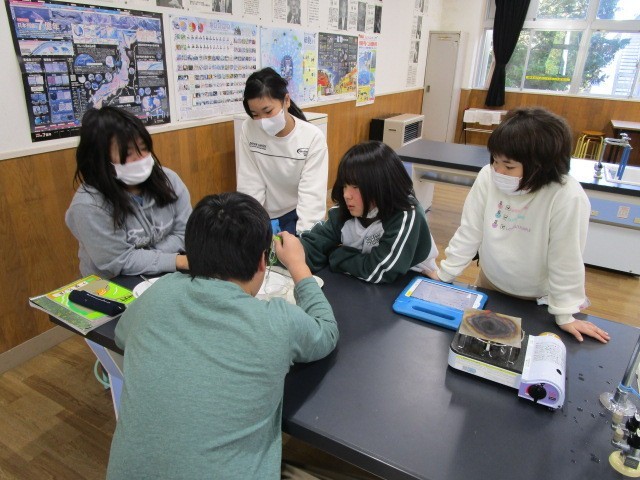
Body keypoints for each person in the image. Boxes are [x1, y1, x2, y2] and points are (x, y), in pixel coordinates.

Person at [106, 192, 339, 479]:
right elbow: (326, 331)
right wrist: (298, 266)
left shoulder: (158, 294)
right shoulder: (276, 321)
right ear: (262, 262)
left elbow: (122, 335)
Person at [428, 107, 609, 344]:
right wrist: (446, 274)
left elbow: (566, 258)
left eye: (509, 166)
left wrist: (565, 314)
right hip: (489, 283)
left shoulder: (566, 196)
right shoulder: (488, 176)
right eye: (495, 160)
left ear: (541, 165)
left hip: (537, 298)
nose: (498, 170)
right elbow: (470, 230)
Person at [66, 106, 191, 279]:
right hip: (114, 284)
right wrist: (176, 260)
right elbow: (118, 261)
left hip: (166, 273)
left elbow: (186, 233)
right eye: (128, 153)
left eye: (144, 148)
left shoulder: (169, 180)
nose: (141, 158)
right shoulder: (88, 205)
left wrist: (146, 257)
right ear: (101, 159)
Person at [299, 140, 438, 284]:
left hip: (412, 281)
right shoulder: (344, 212)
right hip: (361, 280)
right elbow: (313, 244)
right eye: (345, 185)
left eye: (355, 186)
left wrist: (336, 254)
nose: (346, 195)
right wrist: (293, 248)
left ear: (381, 185)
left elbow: (380, 270)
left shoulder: (407, 214)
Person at [238, 67, 328, 235]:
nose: (262, 121)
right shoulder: (249, 128)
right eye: (255, 114)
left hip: (294, 213)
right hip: (262, 214)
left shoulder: (312, 137)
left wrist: (305, 239)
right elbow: (249, 182)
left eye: (268, 111)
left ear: (286, 100)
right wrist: (249, 224)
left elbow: (311, 198)